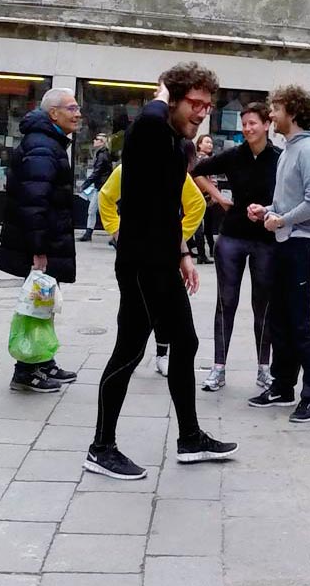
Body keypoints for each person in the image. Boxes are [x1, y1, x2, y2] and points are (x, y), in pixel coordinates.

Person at [85, 62, 237, 480]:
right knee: (129, 351)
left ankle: (189, 438)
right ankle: (101, 448)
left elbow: (169, 208)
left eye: (208, 106)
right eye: (194, 103)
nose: (202, 112)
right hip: (138, 263)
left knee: (184, 342)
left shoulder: (175, 144)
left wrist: (183, 252)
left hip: (162, 261)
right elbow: (154, 112)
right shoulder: (149, 130)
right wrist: (161, 93)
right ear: (173, 98)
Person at [247, 84, 310, 423]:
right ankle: (283, 386)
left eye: (276, 109)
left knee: (305, 321)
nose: (271, 115)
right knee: (280, 317)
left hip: (305, 245)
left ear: (293, 113)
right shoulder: (289, 149)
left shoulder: (308, 149)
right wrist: (266, 209)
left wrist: (281, 218)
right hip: (285, 242)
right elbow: (292, 201)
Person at [98, 139, 207, 379]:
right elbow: (105, 197)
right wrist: (116, 231)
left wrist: (179, 243)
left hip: (162, 254)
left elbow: (196, 205)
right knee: (132, 307)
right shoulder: (128, 169)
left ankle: (160, 354)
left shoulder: (173, 168)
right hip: (134, 253)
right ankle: (130, 354)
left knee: (166, 310)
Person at [191, 101, 280, 393]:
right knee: (225, 302)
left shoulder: (280, 158)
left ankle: (264, 369)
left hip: (266, 239)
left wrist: (272, 211)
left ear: (267, 124)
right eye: (244, 124)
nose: (247, 128)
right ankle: (218, 368)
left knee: (263, 305)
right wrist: (218, 197)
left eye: (253, 123)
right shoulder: (234, 155)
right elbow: (197, 170)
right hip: (232, 236)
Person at [0, 88, 81, 393]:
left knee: (43, 304)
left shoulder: (49, 142)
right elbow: (35, 200)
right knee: (35, 305)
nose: (78, 113)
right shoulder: (43, 145)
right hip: (40, 245)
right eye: (71, 108)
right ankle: (25, 370)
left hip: (48, 240)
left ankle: (43, 362)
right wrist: (38, 249)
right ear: (53, 114)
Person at [80, 132, 114, 242]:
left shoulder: (102, 155)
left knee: (104, 212)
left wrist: (85, 184)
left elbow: (97, 172)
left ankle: (116, 235)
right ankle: (88, 234)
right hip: (101, 187)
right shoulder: (101, 154)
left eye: (96, 139)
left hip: (103, 188)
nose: (94, 141)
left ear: (101, 142)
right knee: (92, 210)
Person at [191, 133, 219, 263]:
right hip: (203, 195)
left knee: (203, 225)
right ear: (199, 144)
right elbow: (206, 180)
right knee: (202, 225)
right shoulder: (203, 159)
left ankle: (203, 252)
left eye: (211, 143)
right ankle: (203, 253)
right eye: (207, 142)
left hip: (203, 195)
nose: (210, 144)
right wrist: (213, 194)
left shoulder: (202, 158)